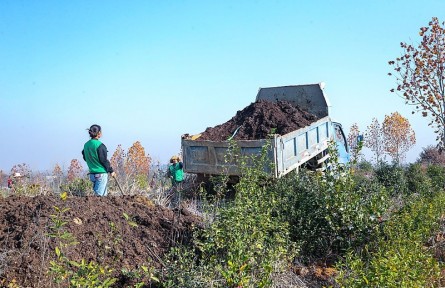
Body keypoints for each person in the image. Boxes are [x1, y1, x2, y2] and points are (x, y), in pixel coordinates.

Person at [82, 124, 116, 196]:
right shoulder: (100, 145)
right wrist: (111, 170)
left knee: (99, 198)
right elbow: (103, 160)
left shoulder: (86, 145)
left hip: (92, 174)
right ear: (99, 133)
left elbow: (85, 157)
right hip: (101, 174)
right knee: (100, 198)